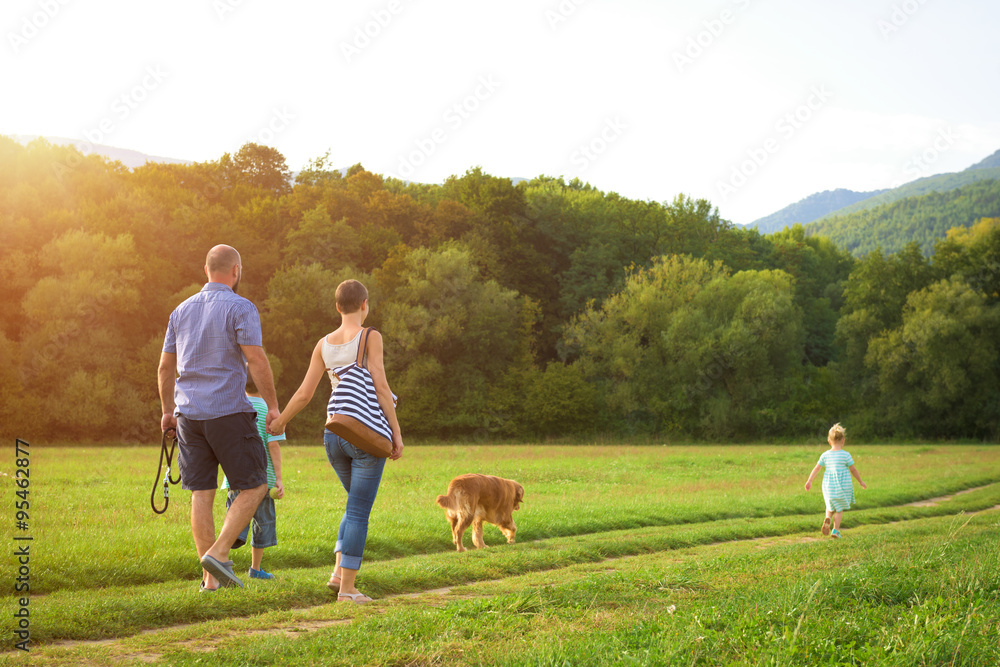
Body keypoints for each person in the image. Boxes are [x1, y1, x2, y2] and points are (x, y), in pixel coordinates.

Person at [269, 279, 403, 604]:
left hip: (333, 435)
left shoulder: (323, 344)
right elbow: (382, 387)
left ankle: (337, 573)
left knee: (353, 504)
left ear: (337, 306)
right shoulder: (371, 336)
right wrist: (396, 433)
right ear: (365, 304)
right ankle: (348, 590)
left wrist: (280, 422)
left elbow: (304, 394)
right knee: (358, 510)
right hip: (364, 433)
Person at [158, 244, 281, 591]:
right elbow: (255, 359)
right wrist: (272, 405)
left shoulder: (180, 311)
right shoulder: (241, 307)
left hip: (188, 416)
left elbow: (166, 366)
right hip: (228, 411)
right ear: (236, 271)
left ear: (206, 270)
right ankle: (220, 552)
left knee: (201, 492)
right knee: (256, 484)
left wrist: (168, 411)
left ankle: (209, 582)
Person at [220, 373, 286, 579]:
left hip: (236, 476)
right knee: (262, 525)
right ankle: (255, 569)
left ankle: (219, 562)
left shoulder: (235, 407)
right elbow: (273, 445)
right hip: (262, 478)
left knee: (233, 523)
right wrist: (278, 478)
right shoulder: (269, 411)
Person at [804, 423, 867, 538]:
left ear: (829, 441)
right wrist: (860, 481)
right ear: (843, 441)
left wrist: (810, 480)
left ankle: (828, 517)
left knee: (830, 506)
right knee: (839, 508)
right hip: (842, 487)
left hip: (828, 486)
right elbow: (853, 470)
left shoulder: (825, 455)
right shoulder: (846, 455)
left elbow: (817, 468)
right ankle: (835, 530)